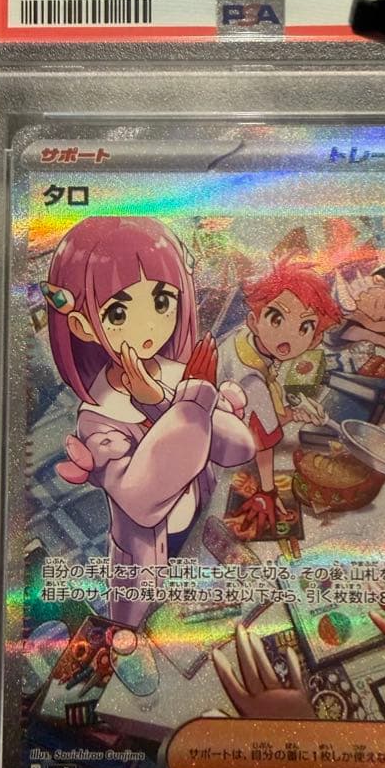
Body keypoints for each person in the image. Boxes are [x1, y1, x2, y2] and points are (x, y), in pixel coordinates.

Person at [43, 216, 255, 628]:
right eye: (119, 312)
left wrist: (162, 399)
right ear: (83, 325)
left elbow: (237, 448)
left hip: (203, 530)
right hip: (145, 563)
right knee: (146, 635)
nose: (149, 325)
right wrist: (188, 402)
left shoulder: (177, 374)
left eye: (162, 301)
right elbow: (143, 497)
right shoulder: (98, 416)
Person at [218, 258, 341, 533]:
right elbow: (263, 438)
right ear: (254, 320)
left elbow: (266, 413)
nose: (288, 336)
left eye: (304, 327)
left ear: (314, 339)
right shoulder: (250, 377)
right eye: (277, 318)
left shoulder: (247, 339)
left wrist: (293, 413)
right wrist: (268, 490)